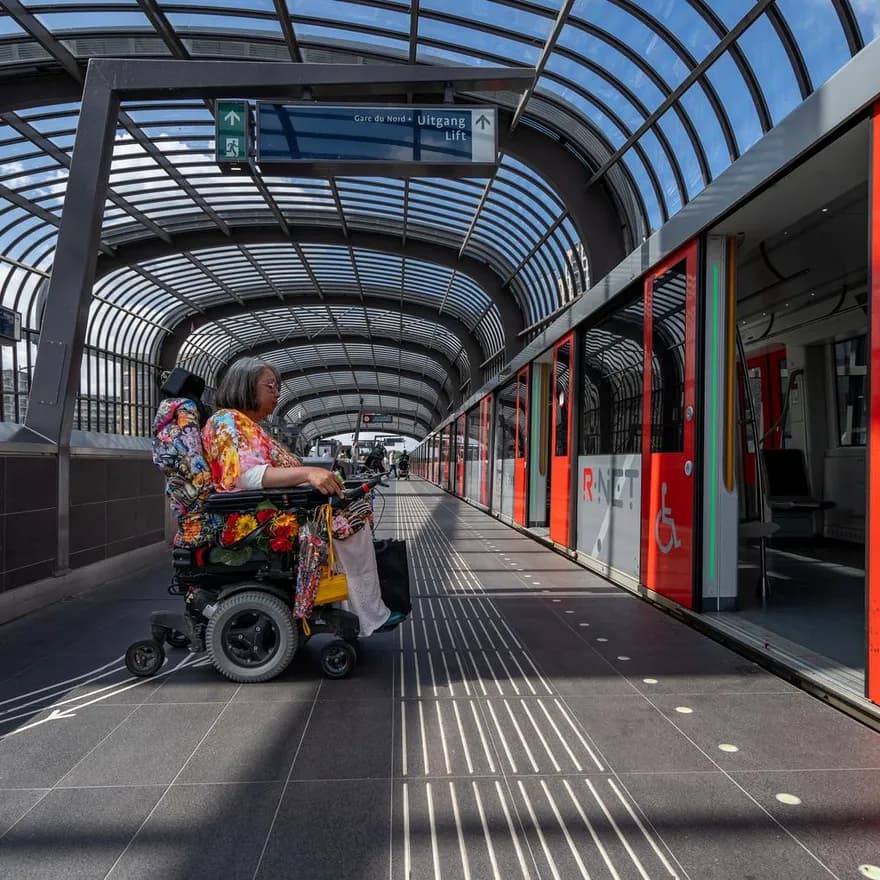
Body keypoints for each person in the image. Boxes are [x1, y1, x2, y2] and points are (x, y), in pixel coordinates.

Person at [201, 357, 405, 634]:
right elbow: (244, 477)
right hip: (255, 517)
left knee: (353, 512)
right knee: (349, 525)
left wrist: (313, 474)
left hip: (271, 508)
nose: (277, 394)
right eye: (270, 386)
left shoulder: (246, 424)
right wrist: (307, 474)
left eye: (277, 387)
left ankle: (362, 607)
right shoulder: (228, 421)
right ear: (245, 386)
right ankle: (368, 614)